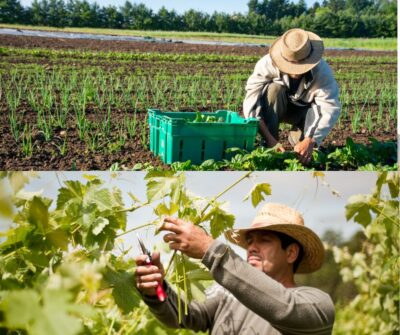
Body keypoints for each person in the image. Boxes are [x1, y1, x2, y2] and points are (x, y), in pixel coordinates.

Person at [135, 202, 335, 335]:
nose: (252, 247)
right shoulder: (227, 294)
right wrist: (157, 291)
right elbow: (186, 316)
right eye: (249, 241)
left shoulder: (318, 306)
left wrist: (209, 249)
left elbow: (283, 307)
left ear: (291, 253)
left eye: (264, 240)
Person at [243, 28, 341, 164]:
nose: (295, 71)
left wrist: (310, 140)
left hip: (304, 111)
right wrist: (270, 140)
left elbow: (328, 107)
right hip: (277, 106)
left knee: (303, 151)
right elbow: (252, 102)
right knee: (273, 90)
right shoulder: (267, 64)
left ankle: (298, 136)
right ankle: (269, 143)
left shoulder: (322, 72)